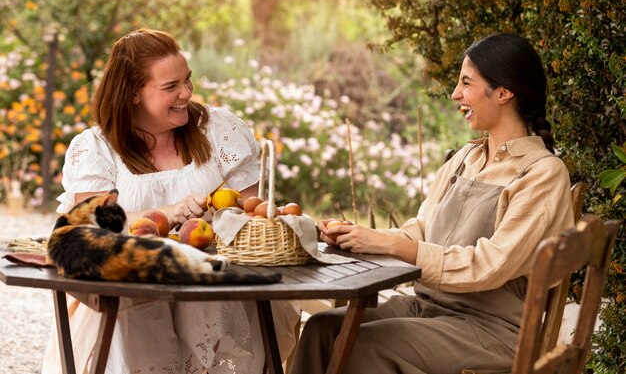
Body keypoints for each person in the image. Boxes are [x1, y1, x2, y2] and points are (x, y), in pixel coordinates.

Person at [288, 33, 575, 374]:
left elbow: (488, 264)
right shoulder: (467, 157)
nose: (456, 94)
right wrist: (359, 236)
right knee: (321, 329)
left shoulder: (541, 173)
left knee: (366, 347)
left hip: (492, 330)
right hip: (427, 308)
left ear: (503, 92)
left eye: (466, 83)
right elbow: (421, 231)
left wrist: (388, 244)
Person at [42, 28, 300, 374]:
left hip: (216, 287)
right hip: (131, 291)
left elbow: (254, 211)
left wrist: (231, 214)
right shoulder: (95, 149)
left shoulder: (219, 129)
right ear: (133, 93)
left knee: (215, 310)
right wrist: (168, 212)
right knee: (125, 320)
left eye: (187, 80)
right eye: (170, 87)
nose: (186, 93)